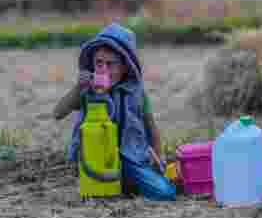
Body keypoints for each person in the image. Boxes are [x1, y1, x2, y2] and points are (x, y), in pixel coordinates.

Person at [52, 22, 177, 201]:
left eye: (111, 64)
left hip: (130, 158)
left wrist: (160, 159)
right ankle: (111, 185)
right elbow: (58, 113)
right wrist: (78, 88)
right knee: (101, 192)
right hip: (95, 159)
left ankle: (128, 183)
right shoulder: (88, 91)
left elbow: (151, 127)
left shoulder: (136, 94)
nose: (104, 69)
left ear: (125, 67)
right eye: (99, 63)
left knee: (166, 192)